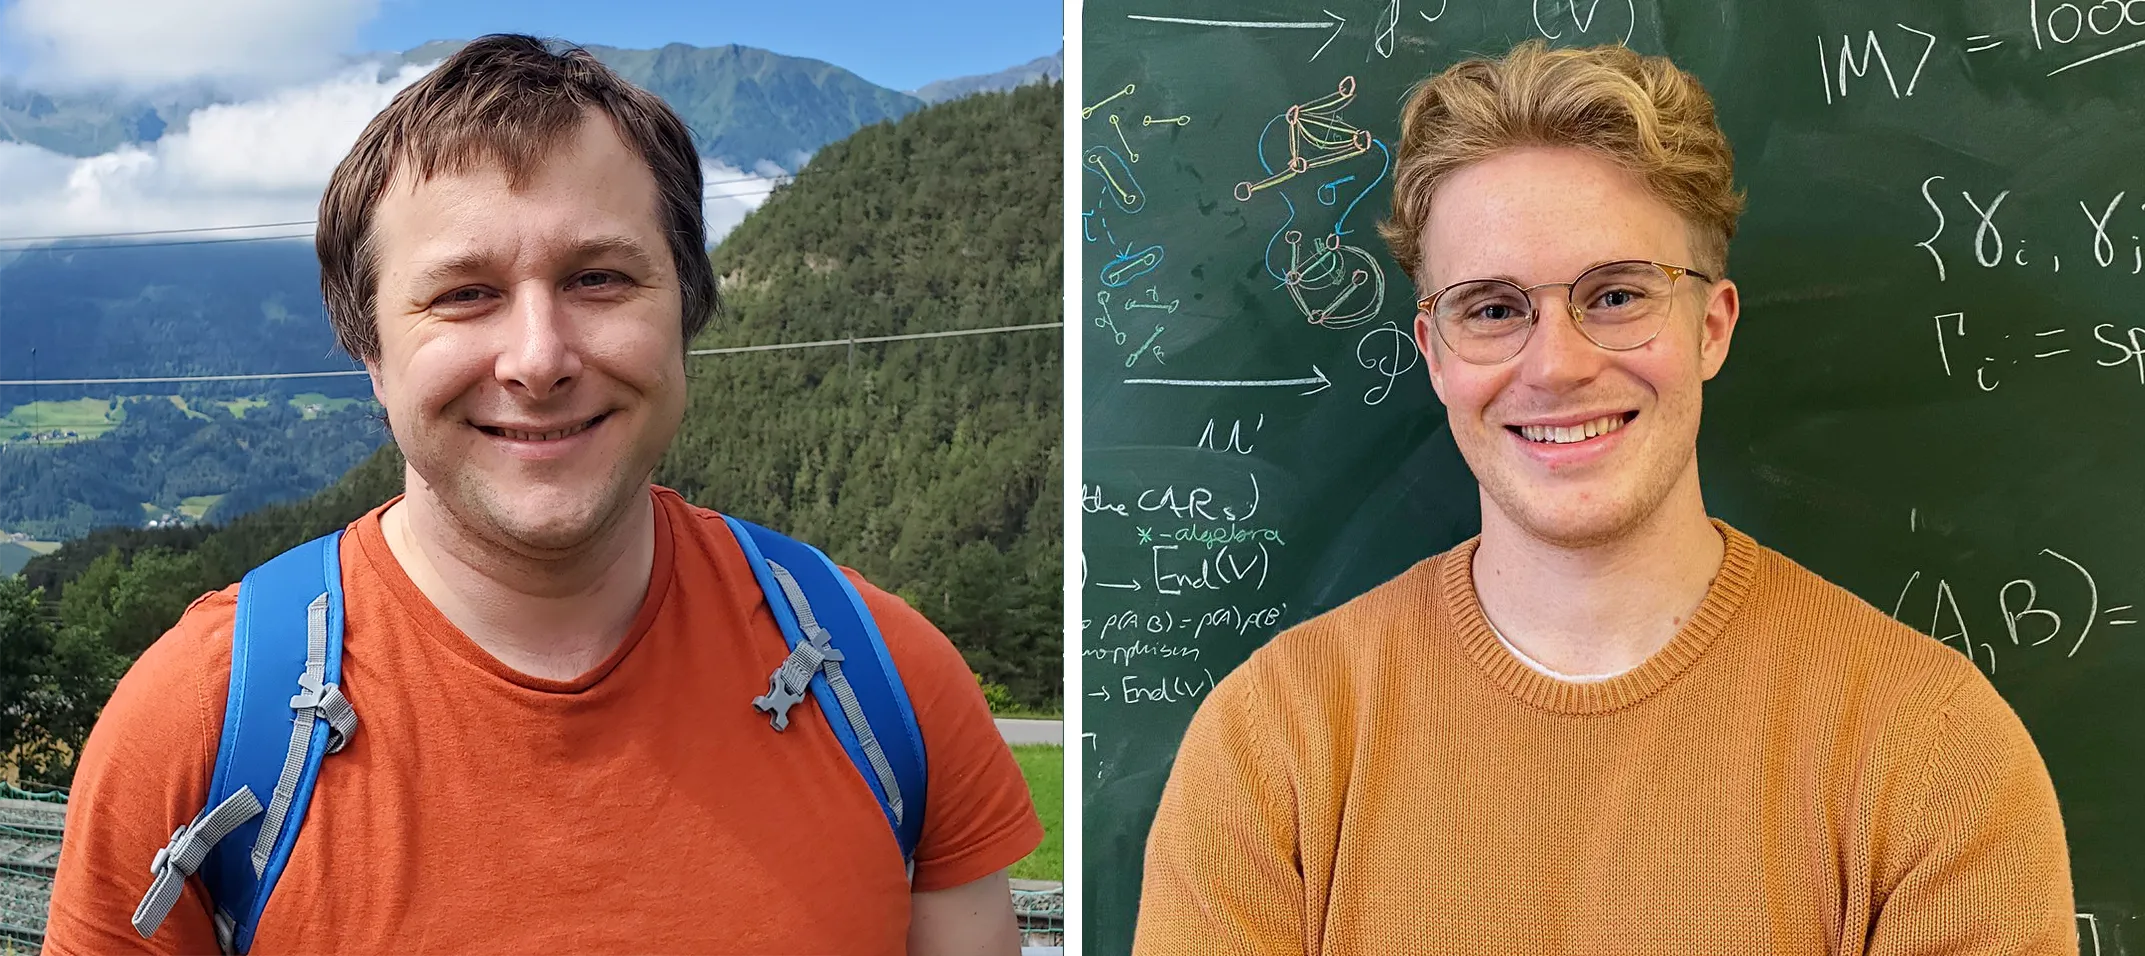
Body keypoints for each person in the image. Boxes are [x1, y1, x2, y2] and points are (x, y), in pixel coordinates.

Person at [44, 35, 1039, 955]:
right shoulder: (199, 723)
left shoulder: (887, 681)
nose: (538, 357)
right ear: (372, 355)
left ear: (686, 311)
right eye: (465, 293)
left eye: (599, 277)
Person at [1134, 40, 2073, 955]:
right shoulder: (1273, 743)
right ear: (1433, 355)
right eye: (1494, 309)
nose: (1557, 366)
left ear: (1710, 327)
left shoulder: (1932, 749)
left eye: (1618, 295)